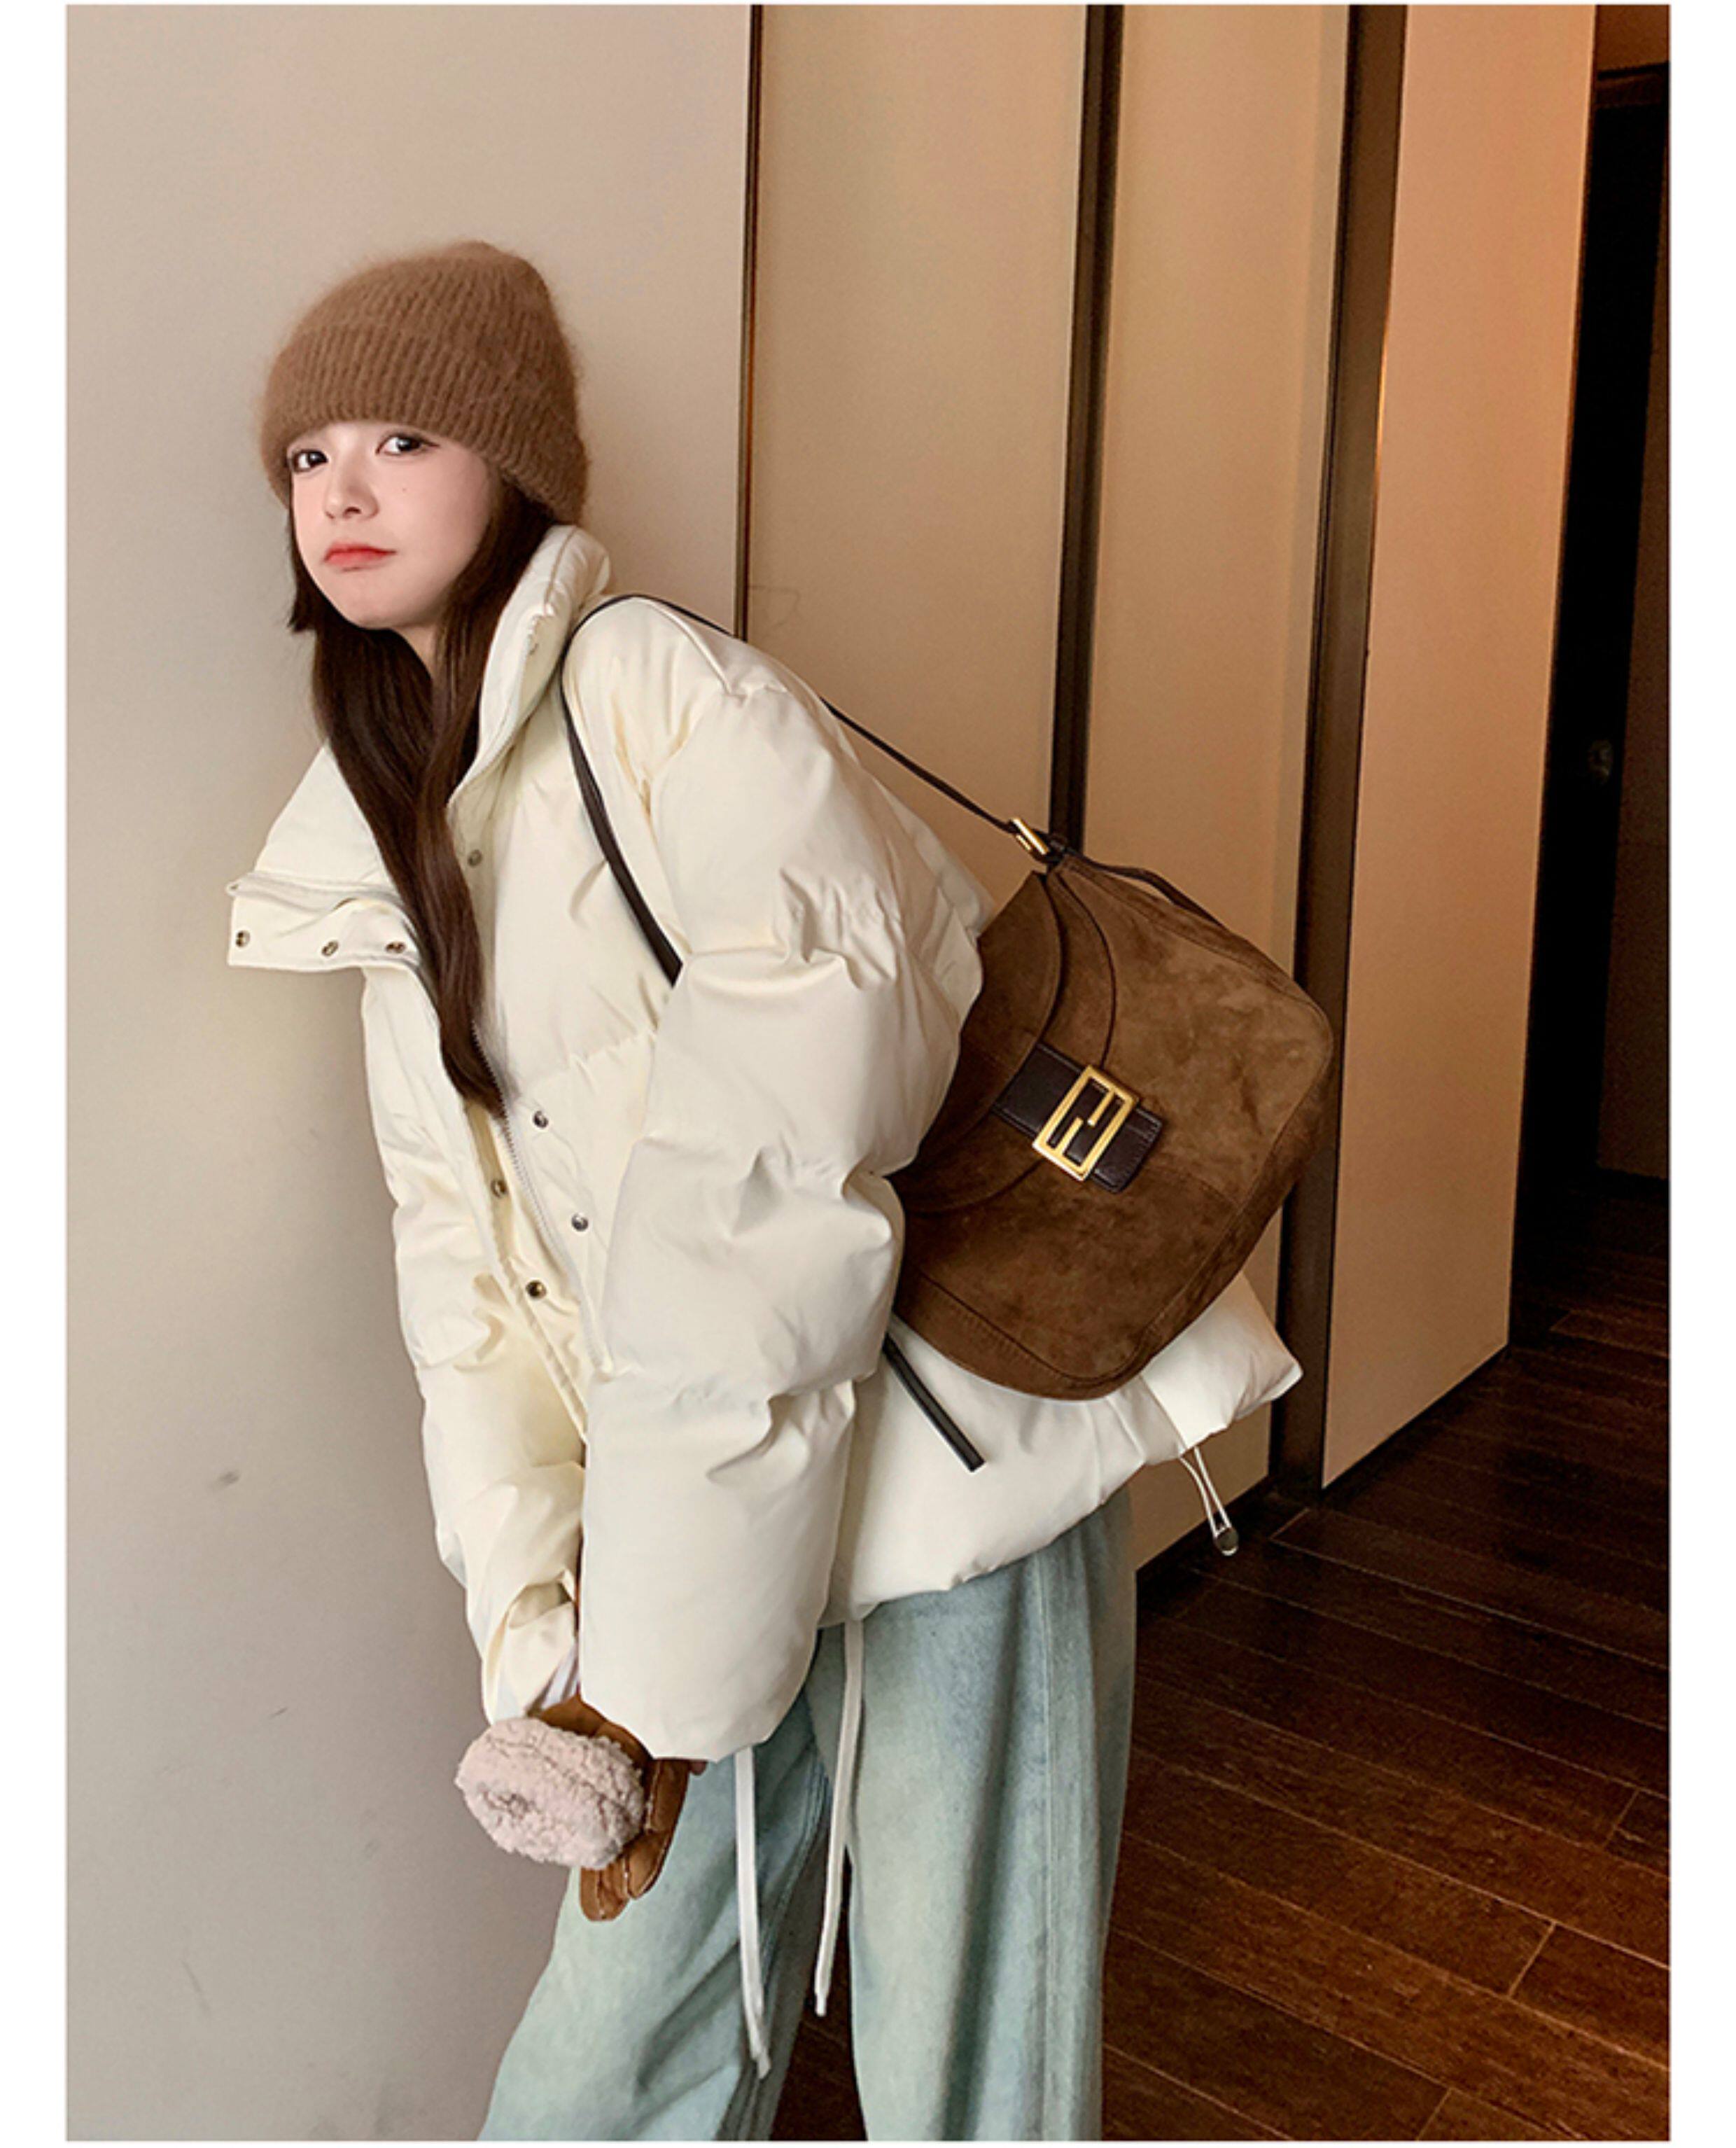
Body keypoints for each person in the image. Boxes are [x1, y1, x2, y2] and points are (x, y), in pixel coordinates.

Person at [227, 239, 1305, 2140]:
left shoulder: (672, 700)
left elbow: (772, 1182)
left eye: (403, 437)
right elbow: (465, 1290)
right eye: (309, 456)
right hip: (691, 1524)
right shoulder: (372, 841)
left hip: (956, 1463)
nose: (346, 491)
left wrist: (648, 1670)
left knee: (970, 2060)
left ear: (515, 463)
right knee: (610, 2061)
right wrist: (548, 1644)